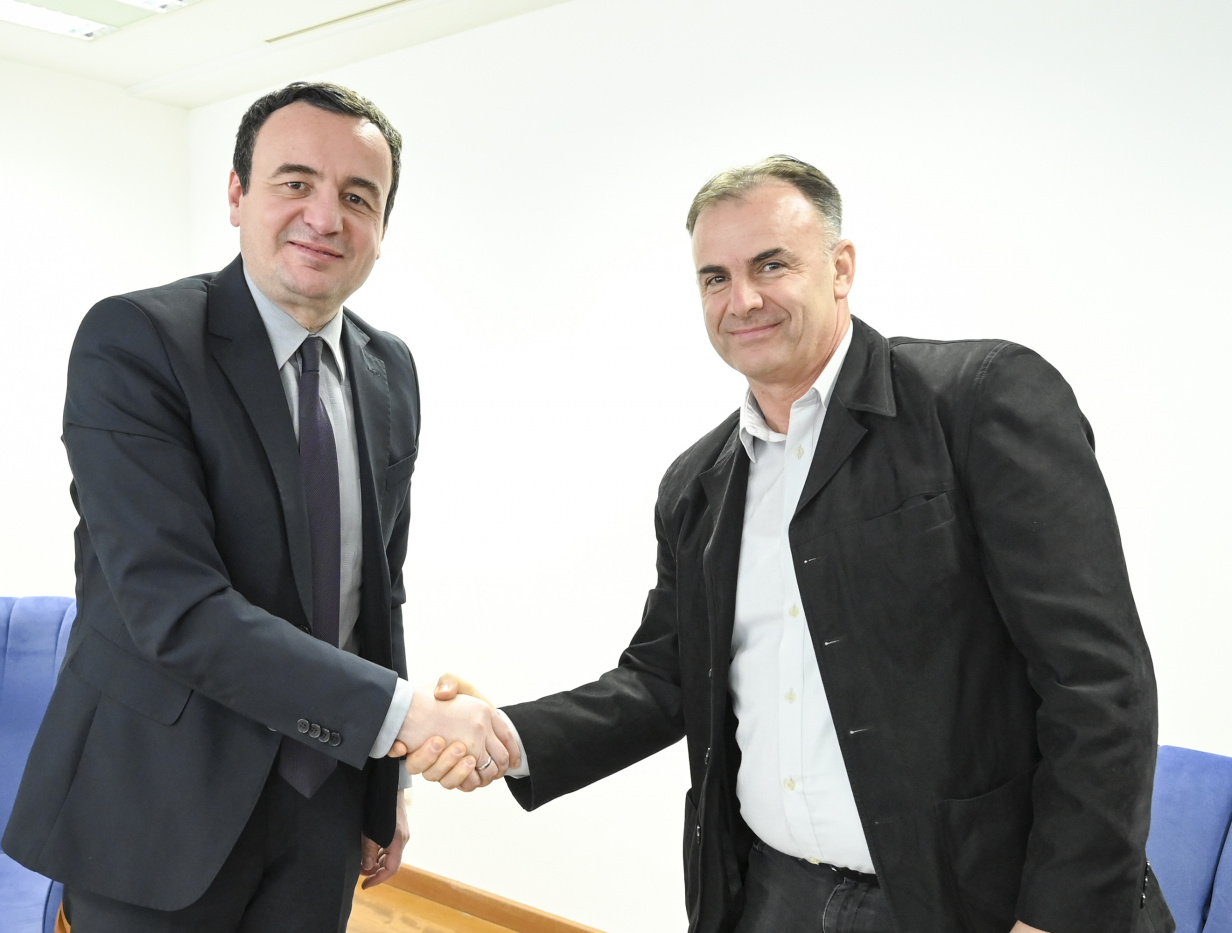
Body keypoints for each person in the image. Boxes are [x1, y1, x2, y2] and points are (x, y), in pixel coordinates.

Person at [402, 156, 1173, 933]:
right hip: (774, 896)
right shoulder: (698, 485)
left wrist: (1059, 918)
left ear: (841, 268)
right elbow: (664, 679)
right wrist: (508, 735)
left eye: (770, 264)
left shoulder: (977, 399)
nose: (742, 299)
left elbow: (1099, 681)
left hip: (972, 901)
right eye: (715, 277)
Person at [2, 81, 516, 933]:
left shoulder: (390, 369)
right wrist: (409, 716)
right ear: (238, 195)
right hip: (157, 801)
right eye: (295, 182)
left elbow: (375, 595)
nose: (325, 216)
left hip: (324, 797)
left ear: (382, 228)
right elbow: (176, 607)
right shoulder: (136, 342)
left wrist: (386, 781)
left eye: (359, 196)